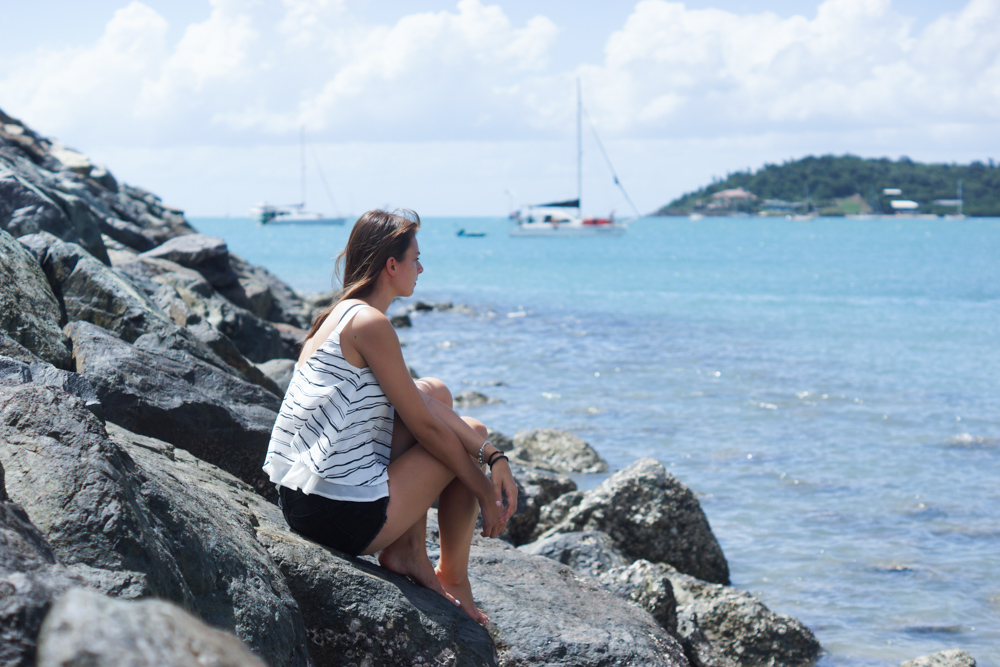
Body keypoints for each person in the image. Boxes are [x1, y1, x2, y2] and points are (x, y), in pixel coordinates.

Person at [263, 208, 517, 624]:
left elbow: (423, 404)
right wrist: (484, 490)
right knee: (465, 430)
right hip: (337, 515)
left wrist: (495, 456)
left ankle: (408, 551)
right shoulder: (370, 323)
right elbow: (425, 427)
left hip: (302, 500)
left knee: (434, 389)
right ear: (391, 265)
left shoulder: (339, 315)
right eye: (415, 258)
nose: (421, 267)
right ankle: (452, 576)